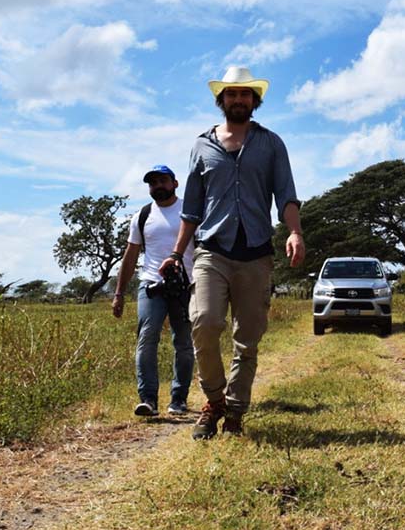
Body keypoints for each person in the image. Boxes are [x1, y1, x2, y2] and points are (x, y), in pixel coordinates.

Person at [161, 65, 305, 439]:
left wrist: (294, 232)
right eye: (231, 94)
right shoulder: (201, 146)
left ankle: (236, 411)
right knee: (204, 323)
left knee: (248, 339)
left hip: (256, 253)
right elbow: (191, 209)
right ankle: (214, 401)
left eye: (245, 94)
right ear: (221, 99)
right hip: (212, 251)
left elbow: (286, 195)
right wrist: (177, 254)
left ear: (254, 100)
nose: (238, 99)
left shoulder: (271, 143)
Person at [112, 165, 195, 417]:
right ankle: (148, 399)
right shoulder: (142, 215)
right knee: (146, 340)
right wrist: (118, 293)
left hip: (186, 285)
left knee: (183, 343)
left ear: (175, 184)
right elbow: (130, 255)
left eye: (162, 181)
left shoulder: (190, 211)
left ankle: (178, 399)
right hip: (151, 284)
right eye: (152, 183)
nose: (157, 186)